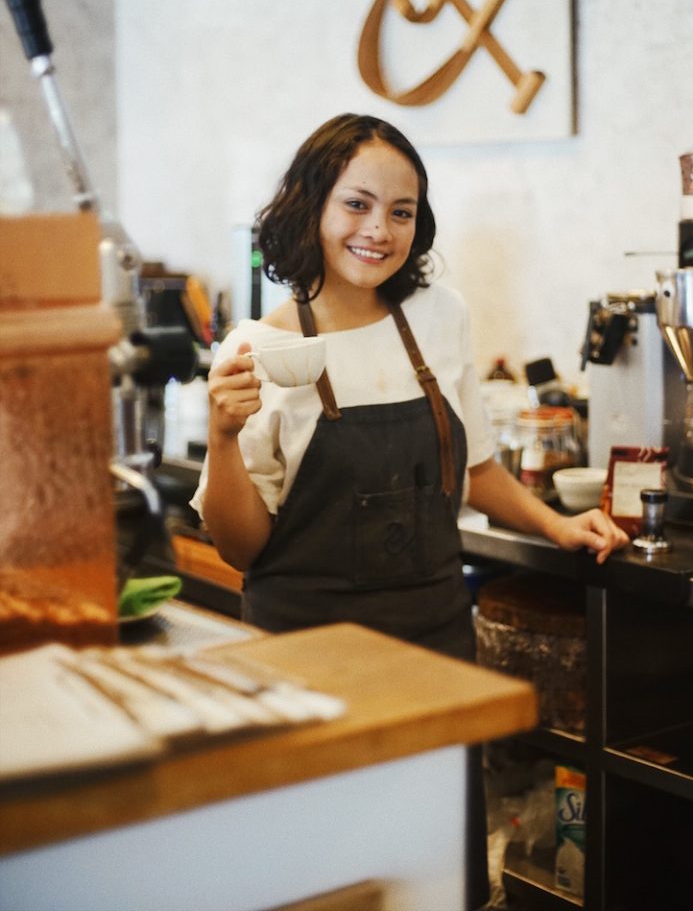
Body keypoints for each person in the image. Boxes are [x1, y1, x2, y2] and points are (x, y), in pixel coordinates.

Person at [191, 113, 627, 910]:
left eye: (402, 211)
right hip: (307, 661)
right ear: (313, 207)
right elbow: (242, 547)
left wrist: (558, 525)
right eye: (357, 204)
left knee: (435, 877)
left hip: (434, 648)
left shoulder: (439, 318)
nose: (379, 229)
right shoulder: (260, 348)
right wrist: (224, 435)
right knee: (323, 880)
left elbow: (477, 468)